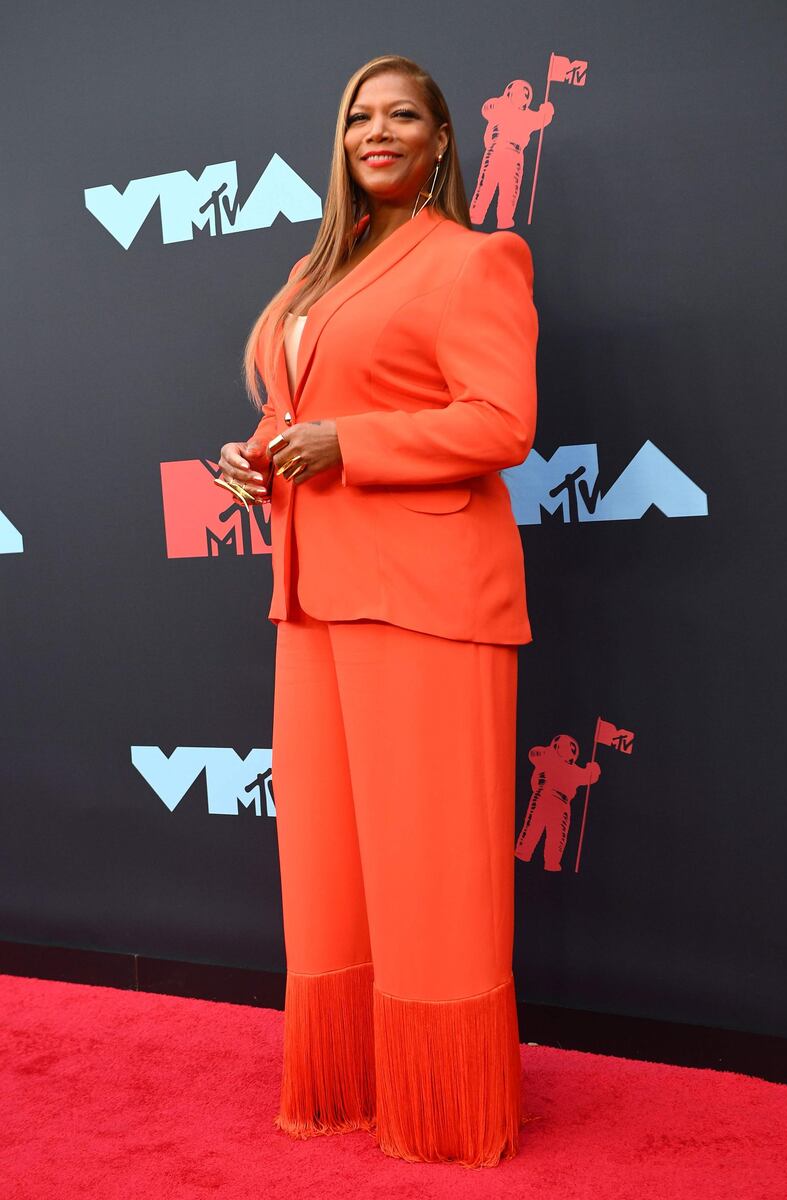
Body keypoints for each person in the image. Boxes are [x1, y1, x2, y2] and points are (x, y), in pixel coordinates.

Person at [217, 53, 539, 1169]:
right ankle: (351, 1084)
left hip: (429, 598)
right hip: (311, 595)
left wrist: (347, 445)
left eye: (403, 114)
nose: (378, 130)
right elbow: (308, 411)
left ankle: (443, 1112)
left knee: (428, 863)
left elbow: (501, 421)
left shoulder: (474, 258)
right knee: (329, 867)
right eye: (360, 114)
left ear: (443, 141)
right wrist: (262, 458)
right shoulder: (319, 273)